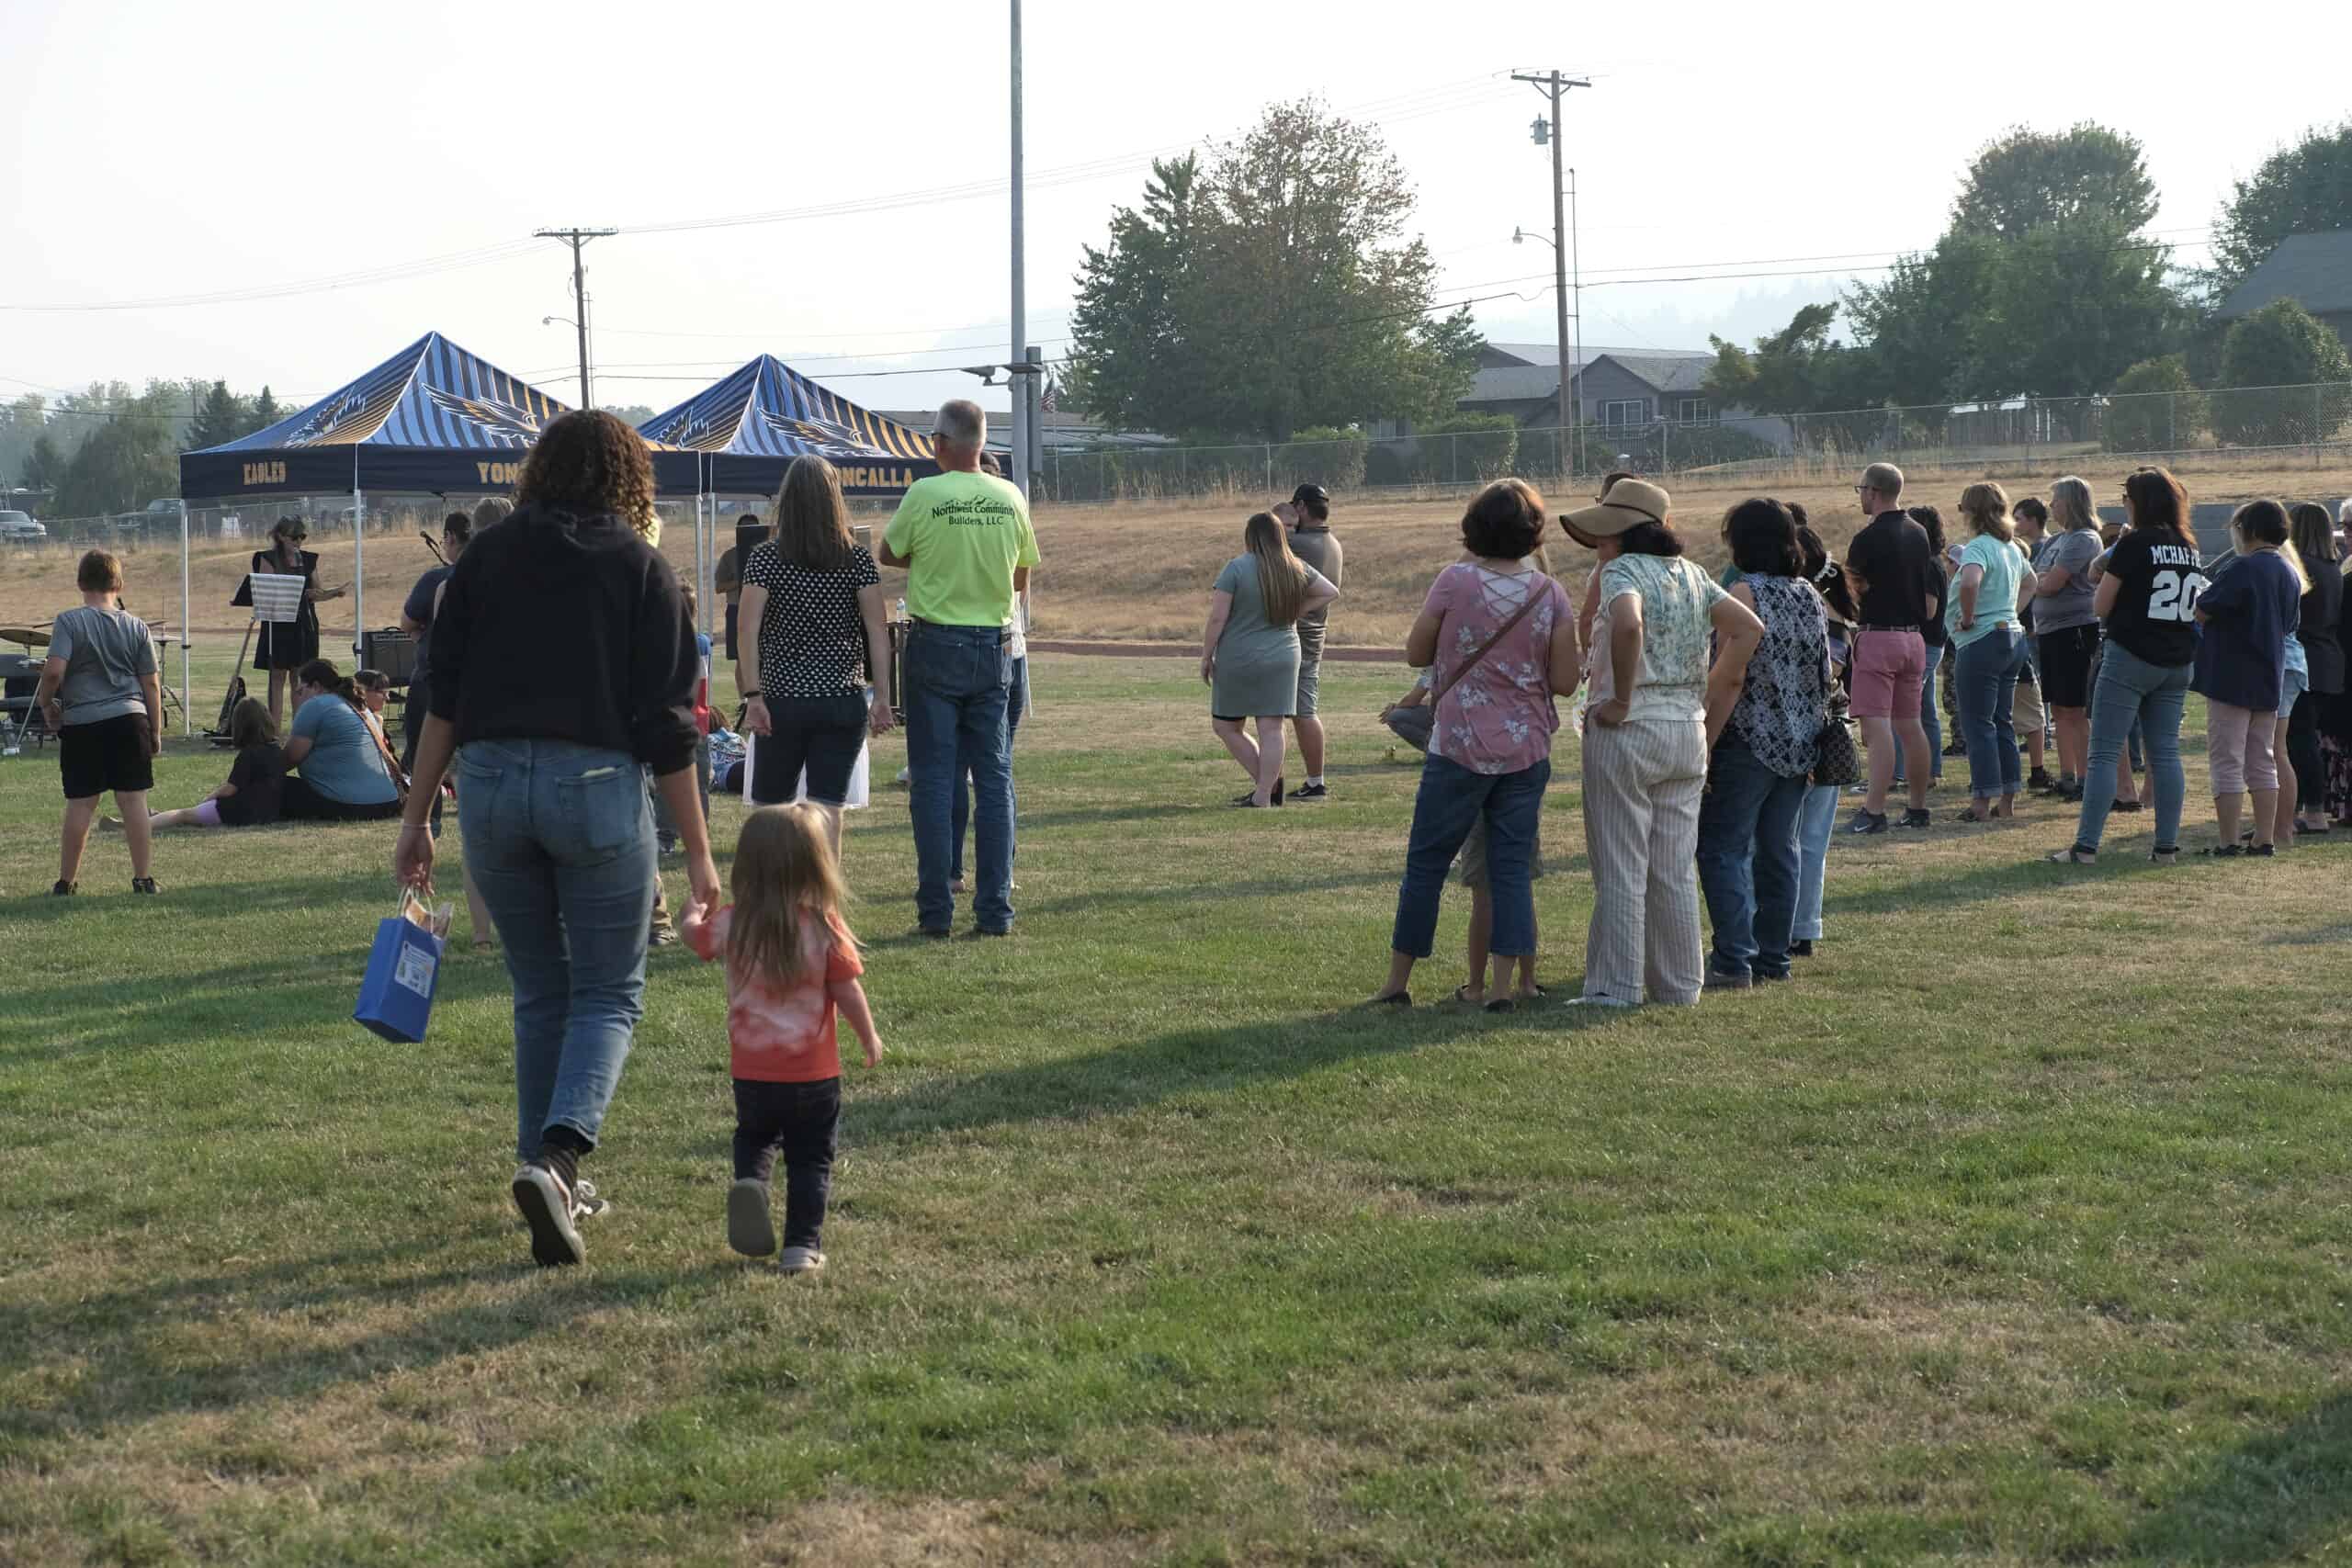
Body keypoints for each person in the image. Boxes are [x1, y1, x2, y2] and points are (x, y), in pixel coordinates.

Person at [396, 409, 718, 1269]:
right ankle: (560, 1158)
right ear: (630, 480)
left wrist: (418, 814)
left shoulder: (485, 559)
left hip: (491, 787)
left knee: (540, 991)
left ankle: (542, 1172)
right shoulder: (644, 569)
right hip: (598, 787)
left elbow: (443, 697)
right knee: (610, 992)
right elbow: (669, 729)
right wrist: (700, 856)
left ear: (539, 469)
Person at [1367, 479, 1576, 1009]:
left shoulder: (1455, 582)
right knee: (1510, 869)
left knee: (1426, 865)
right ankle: (1502, 989)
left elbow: (1417, 652)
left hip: (1457, 744)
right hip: (1525, 748)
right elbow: (1566, 680)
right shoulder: (1550, 594)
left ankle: (1398, 983)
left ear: (1473, 528)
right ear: (1533, 533)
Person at [1560, 479, 1763, 1007]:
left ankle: (1615, 987)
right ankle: (1678, 985)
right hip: (1686, 728)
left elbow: (1626, 624)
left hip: (1629, 730)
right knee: (1672, 867)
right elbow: (1747, 628)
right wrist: (1711, 691)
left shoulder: (1622, 571)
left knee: (1621, 865)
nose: (1599, 545)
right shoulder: (1694, 574)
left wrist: (1622, 698)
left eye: (1605, 534)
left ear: (1624, 533)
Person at [683, 804, 882, 1278]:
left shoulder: (734, 922)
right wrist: (869, 1036)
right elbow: (846, 989)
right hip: (813, 1074)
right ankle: (801, 1248)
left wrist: (692, 914)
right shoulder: (822, 927)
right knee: (812, 1158)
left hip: (752, 1071)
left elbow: (697, 939)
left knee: (754, 1136)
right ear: (816, 865)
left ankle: (751, 1181)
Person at [878, 400, 1040, 937]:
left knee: (933, 778)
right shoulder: (1009, 496)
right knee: (994, 777)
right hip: (993, 648)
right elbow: (1020, 576)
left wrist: (933, 560)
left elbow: (888, 551)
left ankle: (936, 910)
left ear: (940, 442)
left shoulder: (925, 494)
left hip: (936, 642)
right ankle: (996, 910)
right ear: (983, 442)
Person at [1695, 500, 1827, 990]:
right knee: (1780, 851)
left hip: (1747, 738)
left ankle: (1732, 958)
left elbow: (1728, 675)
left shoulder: (1744, 593)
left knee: (1721, 849)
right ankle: (1774, 956)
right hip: (1800, 740)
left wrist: (1705, 740)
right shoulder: (1808, 593)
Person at [737, 457, 894, 860]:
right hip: (841, 698)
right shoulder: (857, 560)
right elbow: (878, 630)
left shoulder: (765, 559)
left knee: (773, 812)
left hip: (781, 700)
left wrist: (753, 696)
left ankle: (773, 904)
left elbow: (747, 630)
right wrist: (881, 698)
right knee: (828, 810)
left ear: (786, 501)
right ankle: (825, 907)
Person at [2049, 468, 2203, 865]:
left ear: (2139, 502)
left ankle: (2085, 847)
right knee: (2165, 754)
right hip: (2177, 660)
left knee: (2102, 754)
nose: (2124, 504)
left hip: (2131, 655)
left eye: (2127, 497)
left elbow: (2099, 605)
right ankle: (2166, 848)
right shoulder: (2188, 545)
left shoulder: (2135, 543)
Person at [34, 549, 162, 895]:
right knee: (134, 801)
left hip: (82, 722)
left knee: (81, 803)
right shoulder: (136, 626)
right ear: (119, 584)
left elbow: (54, 672)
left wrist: (47, 705)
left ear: (80, 583)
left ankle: (66, 881)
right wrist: (156, 728)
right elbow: (150, 681)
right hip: (129, 718)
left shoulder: (69, 622)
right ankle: (143, 879)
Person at [2190, 500, 2306, 858]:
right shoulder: (2288, 570)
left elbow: (2203, 609)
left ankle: (2228, 841)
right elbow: (2289, 624)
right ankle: (2265, 838)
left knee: (2227, 758)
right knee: (2263, 757)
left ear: (2249, 530)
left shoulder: (2244, 567)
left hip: (2231, 675)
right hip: (2269, 674)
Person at [1202, 513, 1340, 808]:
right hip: (1284, 653)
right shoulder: (1295, 567)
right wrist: (1296, 610)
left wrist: (1206, 654)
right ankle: (1265, 792)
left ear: (1251, 537)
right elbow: (1330, 592)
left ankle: (1266, 785)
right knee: (1272, 727)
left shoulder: (1236, 568)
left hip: (1240, 654)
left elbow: (1217, 617)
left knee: (1226, 726)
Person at [1842, 462, 1937, 833]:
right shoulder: (1919, 532)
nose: (1860, 496)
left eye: (1861, 489)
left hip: (1878, 636)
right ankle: (1916, 808)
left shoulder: (1867, 539)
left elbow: (1852, 588)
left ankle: (1874, 810)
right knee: (1911, 726)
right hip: (1914, 639)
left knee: (1877, 728)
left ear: (1873, 491)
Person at [1945, 482, 2033, 822]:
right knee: (2002, 722)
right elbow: (2031, 583)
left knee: (1977, 724)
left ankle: (1981, 802)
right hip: (2011, 637)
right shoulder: (2010, 547)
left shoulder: (1978, 547)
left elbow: (1969, 582)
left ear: (1972, 512)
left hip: (1981, 639)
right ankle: (2007, 800)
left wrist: (1968, 618)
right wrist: (2010, 610)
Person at [1791, 519, 1856, 959]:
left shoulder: (1811, 610)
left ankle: (1792, 924)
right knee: (1812, 838)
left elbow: (1823, 674)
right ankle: (1804, 925)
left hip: (1808, 732)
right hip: (1832, 729)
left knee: (1788, 837)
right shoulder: (1838, 612)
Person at [2033, 476, 2103, 803]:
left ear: (2072, 502)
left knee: (2075, 709)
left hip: (2073, 630)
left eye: (2056, 500)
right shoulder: (2055, 541)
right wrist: (2041, 580)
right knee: (2059, 708)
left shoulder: (2085, 540)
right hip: (2049, 632)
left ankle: (2087, 778)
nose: (2051, 506)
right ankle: (2067, 777)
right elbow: (2033, 577)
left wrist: (2042, 581)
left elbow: (2051, 584)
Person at [245, 517, 347, 728]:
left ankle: (299, 727)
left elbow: (315, 593)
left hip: (304, 624)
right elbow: (268, 589)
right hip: (279, 623)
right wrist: (301, 592)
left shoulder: (308, 560)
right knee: (277, 676)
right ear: (281, 537)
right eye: (294, 537)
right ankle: (273, 730)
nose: (299, 541)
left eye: (302, 537)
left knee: (299, 679)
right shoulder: (267, 558)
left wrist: (333, 593)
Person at [129, 696, 284, 832]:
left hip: (241, 812)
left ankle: (138, 825)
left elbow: (230, 789)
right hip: (269, 811)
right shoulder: (277, 751)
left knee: (183, 815)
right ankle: (157, 816)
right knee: (189, 814)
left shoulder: (248, 755)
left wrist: (209, 798)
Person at [278, 660, 403, 821]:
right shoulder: (357, 704)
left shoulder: (316, 705)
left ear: (316, 686)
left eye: (301, 691)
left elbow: (290, 758)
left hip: (353, 806)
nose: (298, 697)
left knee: (274, 786)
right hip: (389, 802)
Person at [398, 511, 473, 774]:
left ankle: (433, 814)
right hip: (477, 683)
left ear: (450, 537)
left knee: (424, 757)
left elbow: (407, 624)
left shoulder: (436, 580)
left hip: (434, 680)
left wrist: (425, 639)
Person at [1281, 484, 1343, 799]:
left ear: (1303, 507)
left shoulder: (1298, 544)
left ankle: (1311, 783)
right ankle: (1313, 780)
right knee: (1301, 708)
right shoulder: (1333, 543)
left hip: (1294, 635)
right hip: (1316, 632)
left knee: (1297, 711)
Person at [2285, 502, 2343, 835]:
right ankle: (2309, 810)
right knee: (2305, 740)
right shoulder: (2332, 567)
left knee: (2298, 741)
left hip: (2307, 661)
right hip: (2328, 661)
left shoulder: (2302, 568)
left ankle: (2306, 812)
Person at [1890, 503, 1951, 788]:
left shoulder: (1926, 564)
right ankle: (1932, 771)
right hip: (1932, 643)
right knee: (1926, 711)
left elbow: (1928, 609)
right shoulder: (1935, 561)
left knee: (1902, 709)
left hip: (1923, 643)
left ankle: (1899, 771)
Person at [2008, 497, 2055, 790]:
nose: (2016, 524)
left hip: (2031, 630)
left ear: (2036, 519)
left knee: (2035, 690)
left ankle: (2041, 742)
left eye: (2021, 518)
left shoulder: (2042, 547)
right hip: (2026, 631)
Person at [714, 512, 763, 666]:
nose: (748, 532)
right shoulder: (729, 556)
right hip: (736, 608)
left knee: (762, 657)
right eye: (744, 528)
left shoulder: (767, 555)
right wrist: (741, 580)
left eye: (753, 528)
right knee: (740, 658)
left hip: (763, 609)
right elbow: (719, 587)